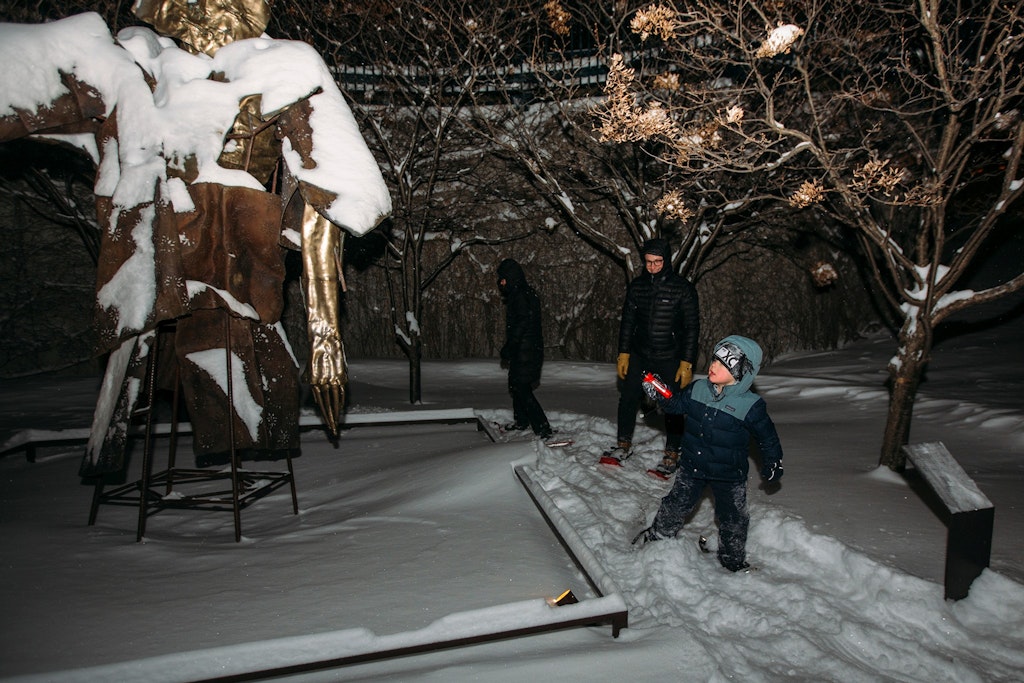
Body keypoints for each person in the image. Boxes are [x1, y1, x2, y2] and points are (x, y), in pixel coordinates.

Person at [632, 335, 784, 573]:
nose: (713, 366)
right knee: (675, 504)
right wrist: (661, 392)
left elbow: (767, 437)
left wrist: (773, 461)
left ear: (741, 373)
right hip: (692, 466)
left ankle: (732, 559)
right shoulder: (698, 389)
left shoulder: (750, 405)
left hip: (728, 473)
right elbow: (676, 405)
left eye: (724, 364)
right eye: (715, 359)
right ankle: (659, 537)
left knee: (733, 517)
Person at [604, 238, 700, 471]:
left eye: (658, 262)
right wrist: (623, 353)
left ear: (666, 261)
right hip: (639, 354)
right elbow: (628, 322)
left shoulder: (683, 288)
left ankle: (673, 452)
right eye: (648, 262)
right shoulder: (637, 287)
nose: (653, 267)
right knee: (628, 398)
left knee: (671, 404)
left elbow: (692, 327)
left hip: (669, 357)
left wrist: (687, 362)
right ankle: (623, 443)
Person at [497, 258, 553, 440]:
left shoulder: (521, 295)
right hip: (525, 349)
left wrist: (510, 345)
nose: (501, 283)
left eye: (503, 279)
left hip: (526, 350)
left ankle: (543, 427)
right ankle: (521, 420)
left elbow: (521, 324)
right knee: (516, 385)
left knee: (521, 388)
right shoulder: (521, 293)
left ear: (511, 278)